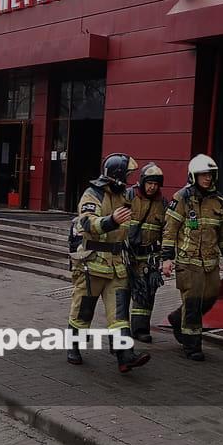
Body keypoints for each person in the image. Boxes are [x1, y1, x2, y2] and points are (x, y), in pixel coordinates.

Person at [67, 153, 151, 373]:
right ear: (117, 176)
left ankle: (125, 356)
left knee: (119, 315)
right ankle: (73, 346)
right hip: (92, 264)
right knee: (83, 310)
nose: (129, 180)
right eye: (127, 175)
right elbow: (87, 223)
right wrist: (111, 220)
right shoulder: (92, 194)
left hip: (117, 266)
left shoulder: (125, 196)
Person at [161, 154, 223, 361]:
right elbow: (170, 231)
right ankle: (192, 345)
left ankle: (178, 318)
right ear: (194, 176)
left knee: (210, 298)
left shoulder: (218, 201)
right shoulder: (181, 198)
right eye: (203, 175)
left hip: (211, 263)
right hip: (188, 263)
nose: (207, 178)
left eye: (210, 175)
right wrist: (167, 258)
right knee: (193, 303)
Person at [125, 163, 167, 343]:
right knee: (122, 291)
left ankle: (140, 329)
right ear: (142, 181)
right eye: (149, 183)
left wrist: (166, 257)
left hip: (148, 257)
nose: (152, 187)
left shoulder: (162, 203)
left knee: (146, 292)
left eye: (156, 184)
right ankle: (121, 328)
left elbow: (167, 231)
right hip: (126, 254)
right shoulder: (129, 196)